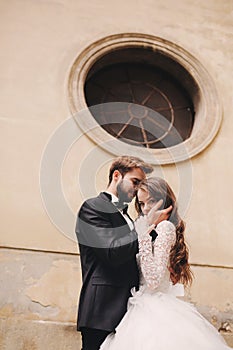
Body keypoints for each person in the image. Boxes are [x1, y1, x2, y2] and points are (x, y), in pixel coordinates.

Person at [100, 176, 232, 350]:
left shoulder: (164, 228)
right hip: (140, 304)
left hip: (155, 308)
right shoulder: (153, 228)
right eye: (142, 204)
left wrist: (143, 237)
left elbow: (154, 280)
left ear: (165, 201)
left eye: (152, 201)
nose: (147, 209)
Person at [75, 157, 172, 350]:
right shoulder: (93, 207)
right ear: (117, 176)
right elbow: (112, 253)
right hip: (103, 309)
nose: (137, 189)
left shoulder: (128, 216)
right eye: (135, 182)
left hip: (131, 310)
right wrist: (143, 228)